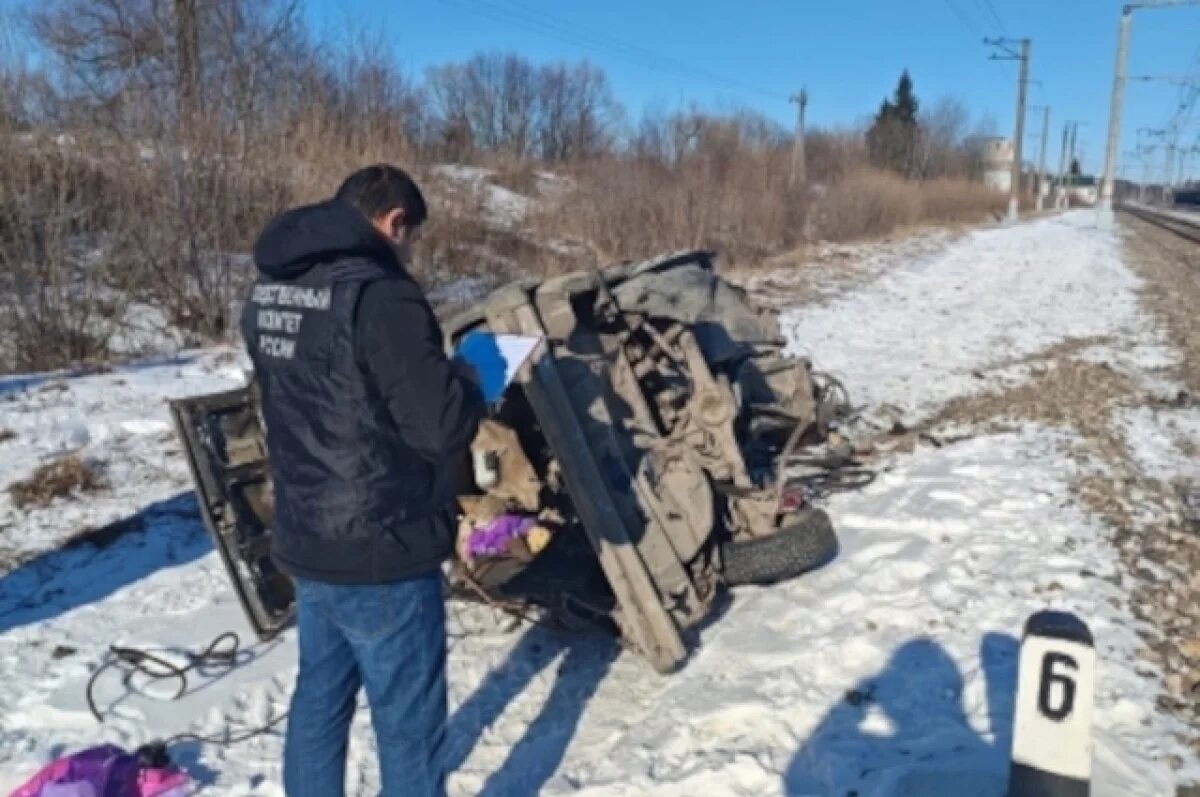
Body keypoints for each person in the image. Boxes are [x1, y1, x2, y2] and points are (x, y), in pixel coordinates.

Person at [242, 165, 486, 796]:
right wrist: (470, 377)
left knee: (319, 703)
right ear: (394, 223)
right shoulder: (383, 298)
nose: (410, 254)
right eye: (413, 240)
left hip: (309, 537)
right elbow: (439, 428)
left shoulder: (271, 291)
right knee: (408, 727)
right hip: (384, 545)